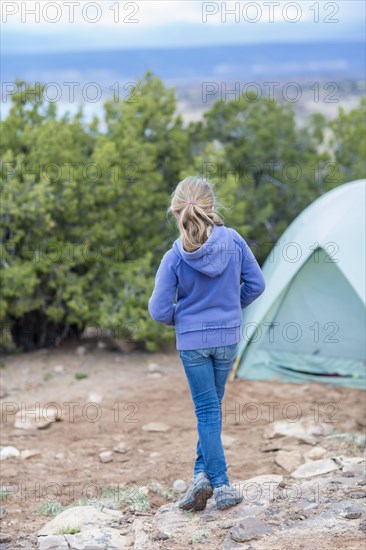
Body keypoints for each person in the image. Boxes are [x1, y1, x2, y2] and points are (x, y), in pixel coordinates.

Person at [148, 176, 266, 511]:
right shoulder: (234, 241)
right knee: (212, 409)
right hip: (227, 338)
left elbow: (158, 310)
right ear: (212, 208)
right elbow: (256, 284)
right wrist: (231, 306)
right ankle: (202, 476)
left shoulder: (174, 257)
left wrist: (183, 320)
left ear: (176, 214)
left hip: (193, 344)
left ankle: (221, 484)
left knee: (207, 410)